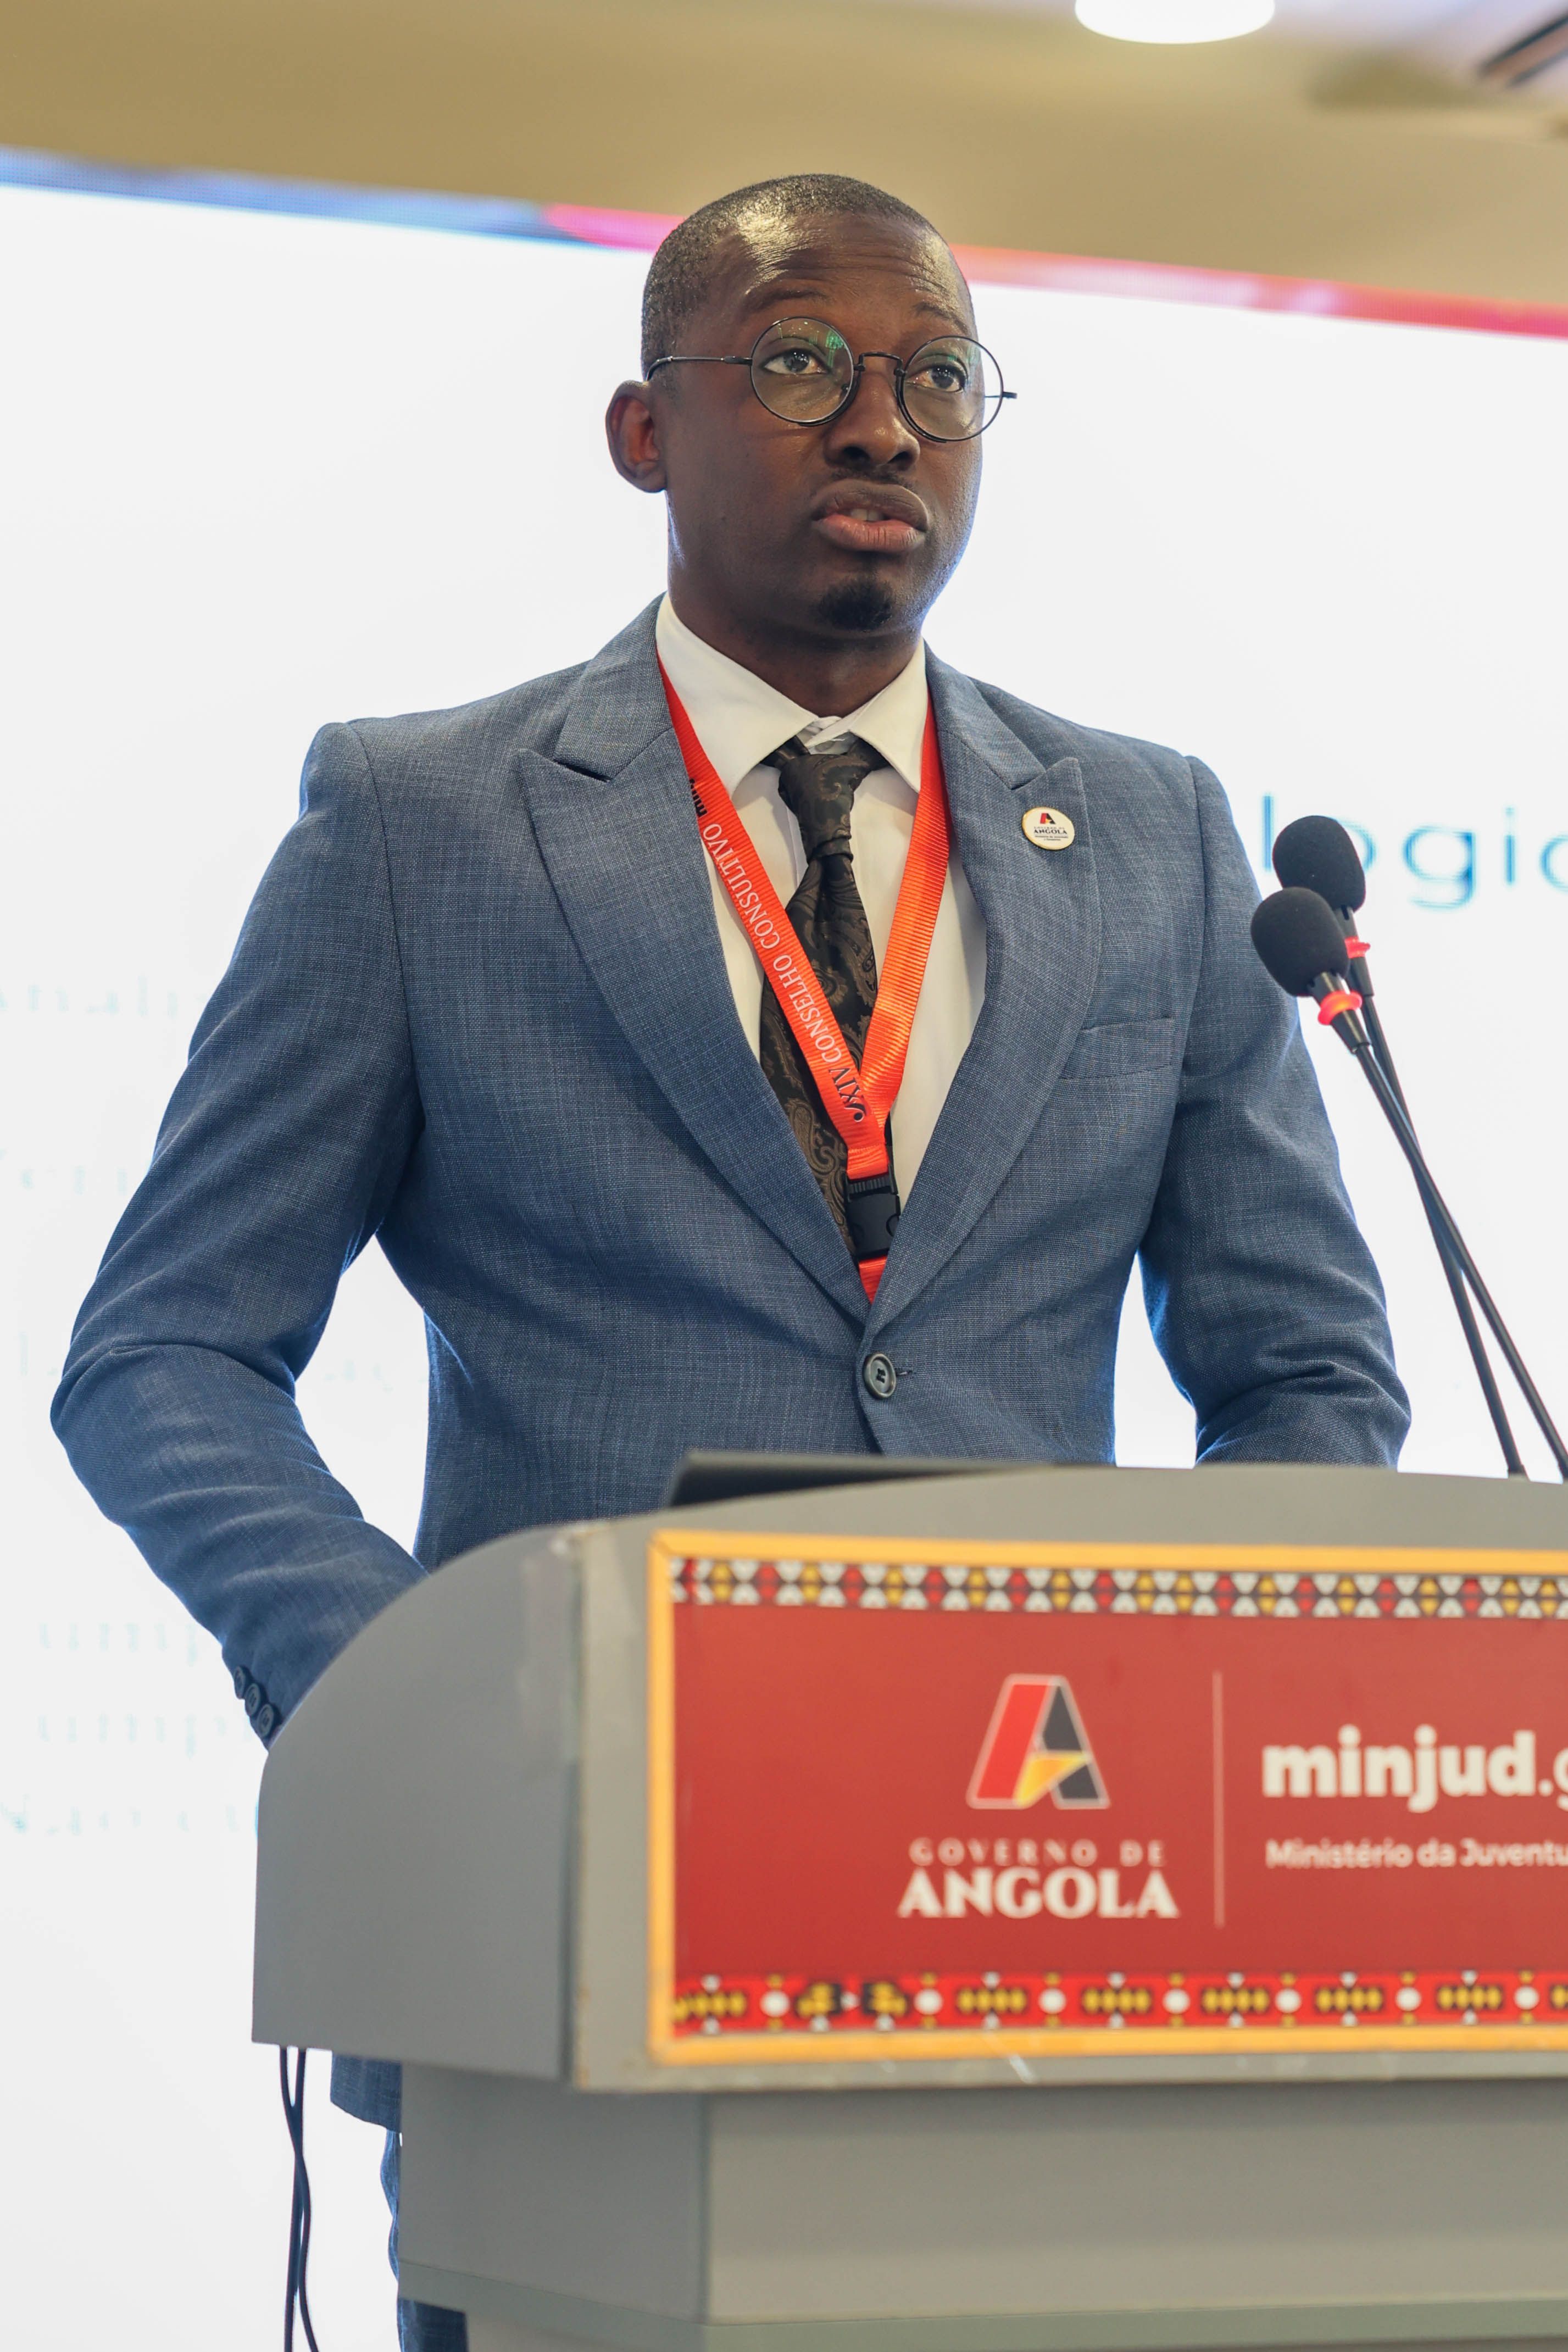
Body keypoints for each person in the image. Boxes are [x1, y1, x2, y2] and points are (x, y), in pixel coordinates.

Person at [52, 174, 1407, 2349]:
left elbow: (1308, 1373)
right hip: (570, 1959)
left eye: (941, 379)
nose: (882, 425)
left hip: (1050, 1950)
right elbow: (165, 1353)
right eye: (800, 364)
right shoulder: (422, 822)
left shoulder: (1153, 835)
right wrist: (407, 1684)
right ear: (641, 429)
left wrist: (1197, 1717)